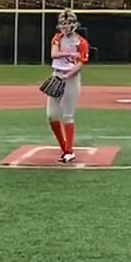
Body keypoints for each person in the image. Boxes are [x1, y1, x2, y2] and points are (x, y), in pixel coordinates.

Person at [45, 9, 89, 164]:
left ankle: (69, 152)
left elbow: (80, 64)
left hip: (71, 79)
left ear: (74, 24)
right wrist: (69, 54)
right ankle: (64, 147)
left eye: (68, 23)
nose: (64, 26)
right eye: (63, 23)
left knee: (67, 115)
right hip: (57, 76)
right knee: (51, 115)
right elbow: (53, 54)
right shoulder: (58, 38)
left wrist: (68, 75)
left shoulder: (81, 42)